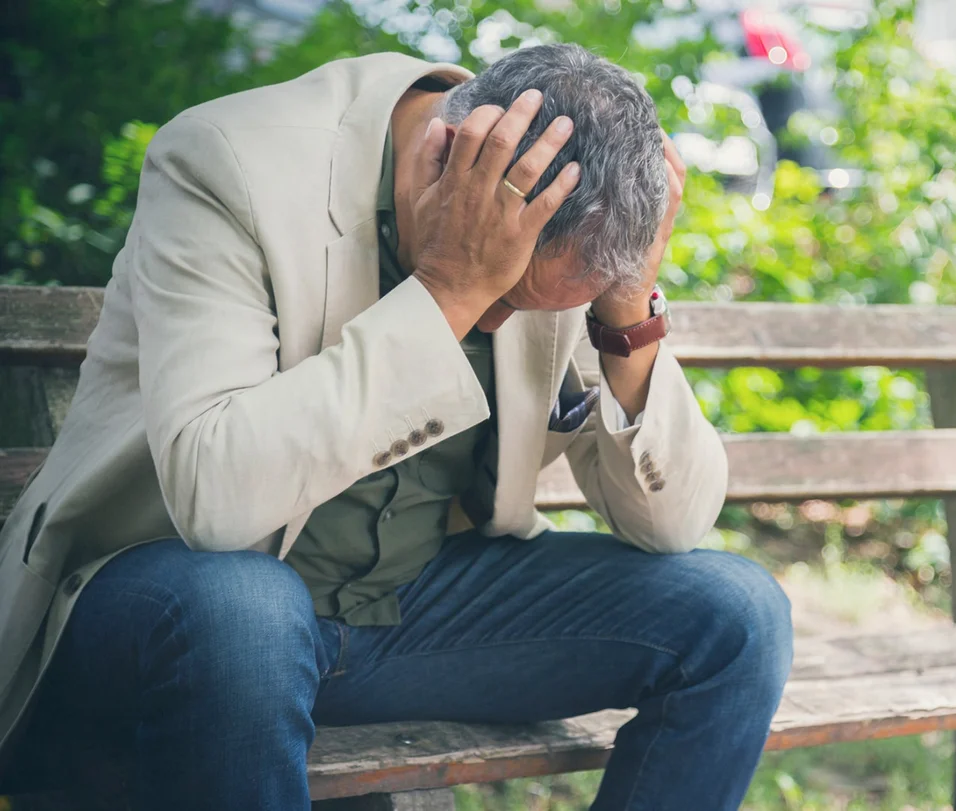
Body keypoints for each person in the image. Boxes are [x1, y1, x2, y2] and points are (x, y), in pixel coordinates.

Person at [0, 44, 793, 810]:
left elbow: (671, 523)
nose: (496, 323)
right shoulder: (227, 161)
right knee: (246, 609)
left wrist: (625, 314)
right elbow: (215, 502)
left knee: (738, 613)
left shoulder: (555, 213)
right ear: (445, 160)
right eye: (502, 300)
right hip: (173, 616)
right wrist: (450, 288)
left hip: (411, 614)